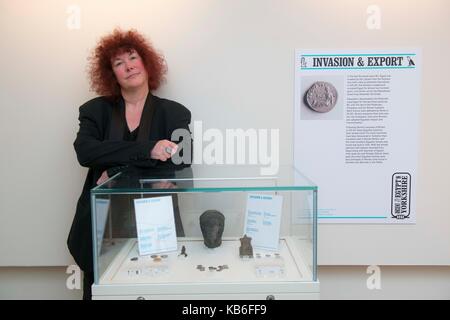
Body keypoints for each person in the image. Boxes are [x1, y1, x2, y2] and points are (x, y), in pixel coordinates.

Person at [67, 29, 191, 300]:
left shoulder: (174, 112)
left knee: (160, 290)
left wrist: (113, 168)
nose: (128, 66)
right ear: (112, 74)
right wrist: (149, 149)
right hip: (103, 227)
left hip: (155, 223)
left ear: (147, 63)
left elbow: (182, 159)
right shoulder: (94, 111)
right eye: (118, 63)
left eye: (133, 58)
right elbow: (86, 153)